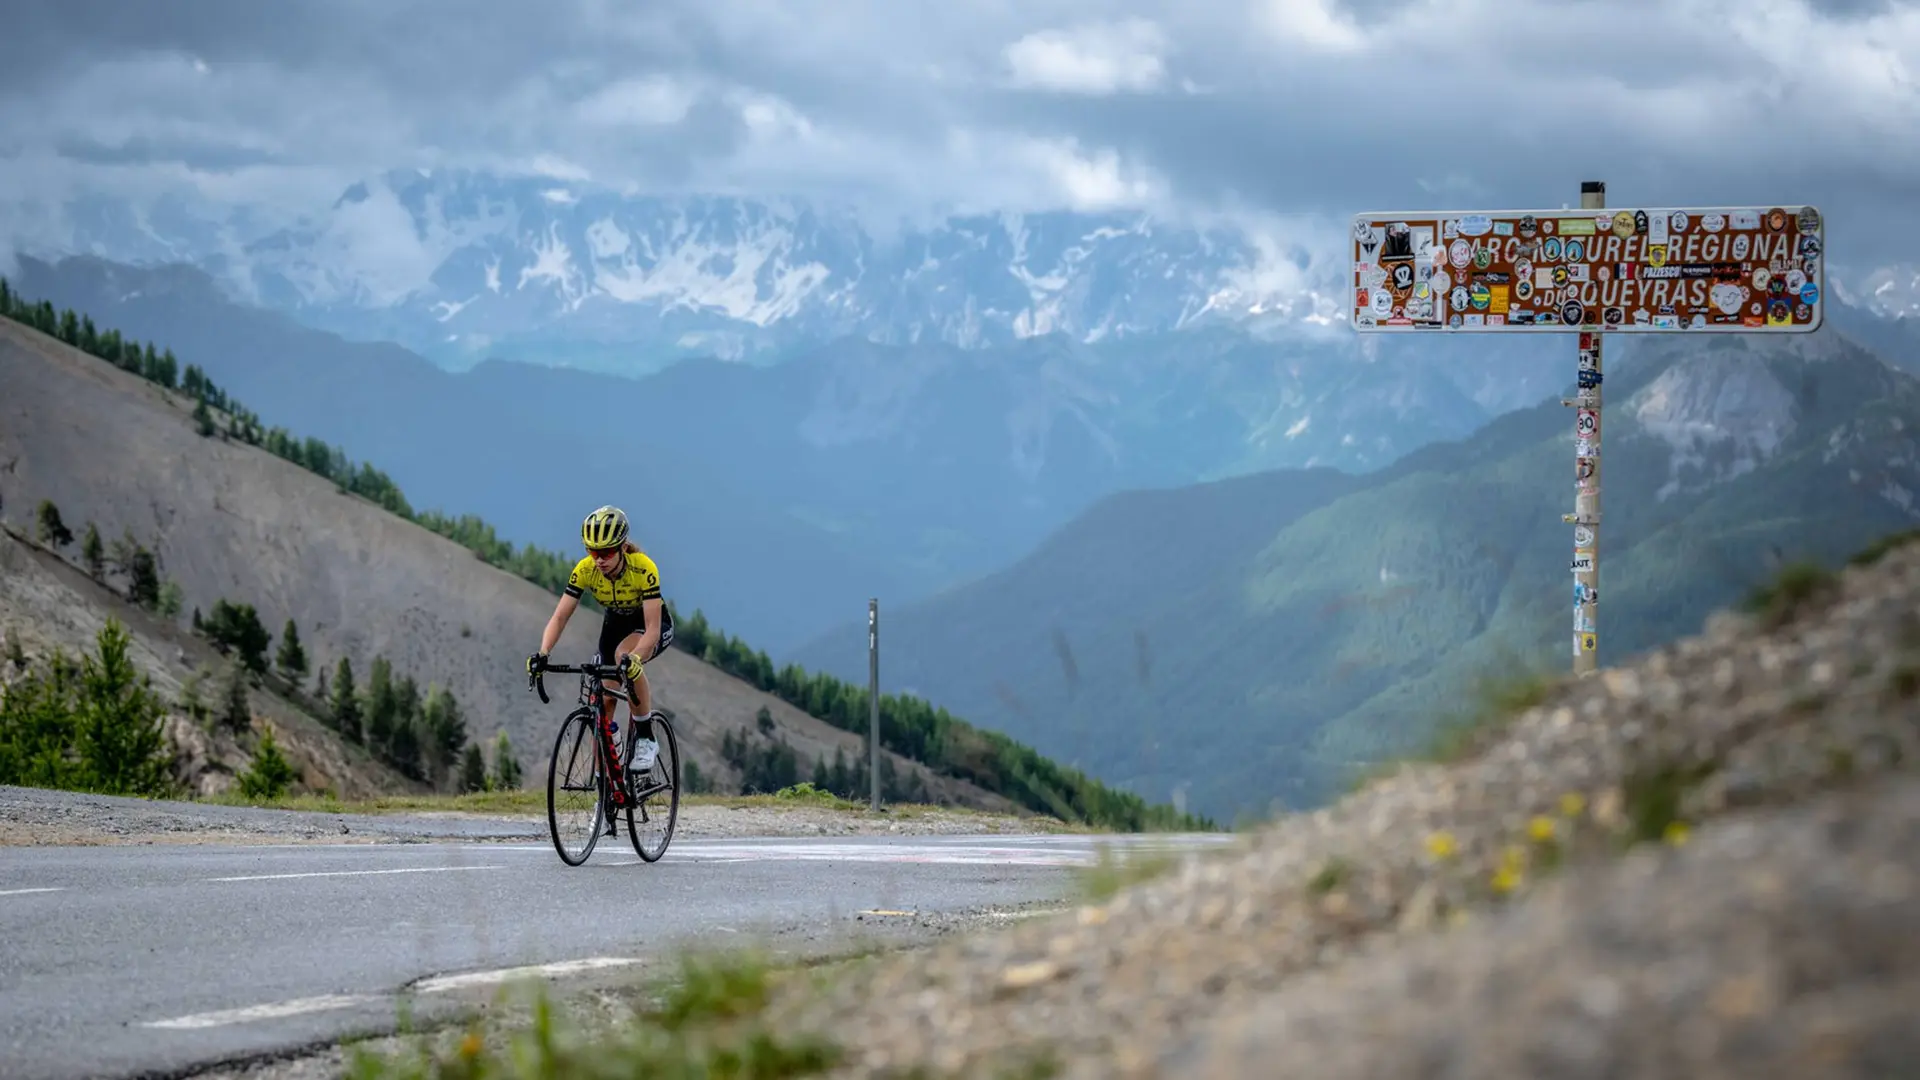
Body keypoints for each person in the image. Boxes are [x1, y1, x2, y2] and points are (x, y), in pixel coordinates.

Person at [527, 505, 675, 786]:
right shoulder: (585, 571)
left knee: (624, 658)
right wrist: (543, 653)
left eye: (606, 553)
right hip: (615, 625)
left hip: (649, 626)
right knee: (602, 701)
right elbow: (560, 617)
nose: (599, 560)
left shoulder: (643, 568)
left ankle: (645, 737)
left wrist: (635, 659)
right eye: (592, 552)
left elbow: (653, 628)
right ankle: (606, 792)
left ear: (621, 548)